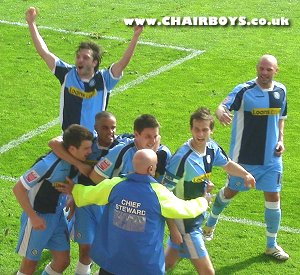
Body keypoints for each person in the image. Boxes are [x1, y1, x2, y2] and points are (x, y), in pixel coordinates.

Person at [55, 149, 213, 275]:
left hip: (112, 262)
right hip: (142, 266)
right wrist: (203, 201)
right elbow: (185, 209)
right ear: (151, 168)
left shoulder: (114, 185)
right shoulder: (159, 193)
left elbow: (90, 194)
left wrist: (74, 189)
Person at [203, 54, 289, 261]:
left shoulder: (281, 91)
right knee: (230, 192)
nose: (264, 73)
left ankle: (271, 245)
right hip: (243, 159)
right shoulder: (244, 90)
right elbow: (222, 106)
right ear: (257, 68)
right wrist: (220, 113)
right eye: (261, 68)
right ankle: (209, 224)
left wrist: (281, 140)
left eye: (269, 69)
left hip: (271, 159)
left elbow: (281, 119)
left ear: (275, 71)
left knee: (273, 196)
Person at [162, 107, 256, 275]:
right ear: (190, 129)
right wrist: (174, 229)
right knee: (208, 272)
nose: (200, 134)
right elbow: (163, 195)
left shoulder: (211, 148)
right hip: (186, 224)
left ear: (211, 130)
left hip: (196, 217)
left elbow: (226, 164)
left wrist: (246, 174)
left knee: (164, 265)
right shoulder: (181, 159)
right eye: (196, 129)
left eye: (205, 129)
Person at [25, 7, 143, 134]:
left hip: (92, 142)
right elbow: (44, 53)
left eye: (85, 58)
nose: (80, 60)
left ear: (94, 62)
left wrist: (135, 36)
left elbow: (122, 63)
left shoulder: (104, 79)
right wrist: (31, 23)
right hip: (69, 140)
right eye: (78, 57)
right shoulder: (67, 74)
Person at [48, 111, 133, 275]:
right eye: (105, 128)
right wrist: (79, 165)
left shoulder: (121, 146)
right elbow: (53, 142)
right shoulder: (87, 144)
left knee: (106, 248)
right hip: (86, 203)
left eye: (113, 128)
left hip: (109, 205)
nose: (110, 132)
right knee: (85, 249)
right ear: (95, 128)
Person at [12, 124, 93, 275]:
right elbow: (18, 189)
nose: (90, 152)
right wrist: (33, 217)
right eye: (86, 148)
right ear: (72, 149)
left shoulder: (77, 162)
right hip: (38, 217)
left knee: (62, 261)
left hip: (57, 216)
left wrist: (71, 198)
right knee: (29, 265)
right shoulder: (47, 164)